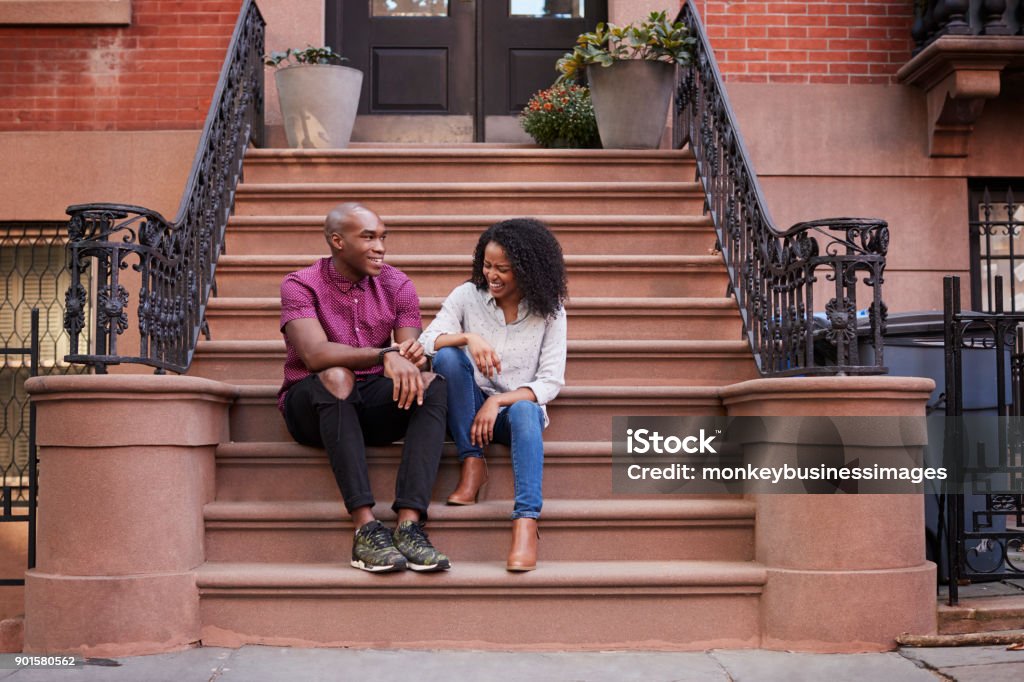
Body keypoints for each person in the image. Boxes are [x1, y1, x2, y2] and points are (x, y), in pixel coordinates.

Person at [278, 202, 451, 573]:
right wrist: (384, 354)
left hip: (369, 402)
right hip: (312, 405)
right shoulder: (300, 284)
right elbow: (314, 354)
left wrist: (410, 357)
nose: (380, 247)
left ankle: (409, 524)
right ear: (338, 242)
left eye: (383, 237)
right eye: (368, 237)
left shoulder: (397, 284)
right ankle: (365, 528)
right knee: (337, 375)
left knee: (432, 384)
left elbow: (406, 355)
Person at [419, 218, 568, 572]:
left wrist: (499, 400)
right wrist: (468, 337)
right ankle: (472, 463)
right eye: (487, 265)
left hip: (510, 412)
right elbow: (427, 341)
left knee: (527, 412)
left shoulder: (550, 311)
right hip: (465, 405)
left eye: (504, 268)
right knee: (449, 356)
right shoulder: (467, 295)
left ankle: (526, 523)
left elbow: (550, 381)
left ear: (528, 270)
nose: (492, 275)